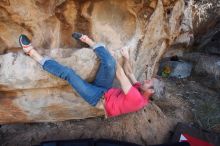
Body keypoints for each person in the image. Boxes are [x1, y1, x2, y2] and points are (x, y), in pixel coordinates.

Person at [19, 33, 154, 117]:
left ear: (151, 91)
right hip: (106, 89)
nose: (146, 80)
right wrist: (126, 58)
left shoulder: (137, 99)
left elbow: (121, 74)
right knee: (109, 63)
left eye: (149, 83)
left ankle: (31, 53)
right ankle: (88, 40)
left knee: (69, 74)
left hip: (97, 98)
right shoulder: (142, 91)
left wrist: (113, 56)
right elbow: (129, 73)